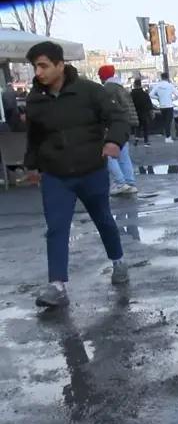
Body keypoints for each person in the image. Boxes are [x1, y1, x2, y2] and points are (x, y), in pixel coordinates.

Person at [23, 41, 130, 308]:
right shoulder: (35, 100)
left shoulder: (90, 92)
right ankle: (57, 286)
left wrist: (114, 142)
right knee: (57, 228)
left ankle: (118, 262)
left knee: (103, 219)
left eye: (44, 65)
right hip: (56, 176)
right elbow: (34, 137)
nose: (39, 72)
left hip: (91, 171)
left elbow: (118, 118)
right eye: (35, 66)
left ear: (60, 65)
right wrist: (32, 165)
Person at [98, 65, 139, 195]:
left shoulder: (108, 89)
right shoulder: (121, 88)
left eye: (100, 76)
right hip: (125, 125)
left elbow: (109, 110)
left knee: (109, 155)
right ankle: (130, 182)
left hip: (113, 125)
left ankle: (121, 183)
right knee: (124, 155)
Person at [149, 72, 178, 143]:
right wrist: (172, 99)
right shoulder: (170, 86)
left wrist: (158, 97)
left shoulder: (157, 86)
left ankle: (167, 136)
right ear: (167, 77)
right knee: (168, 122)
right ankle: (168, 137)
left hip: (162, 106)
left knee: (165, 122)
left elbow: (151, 94)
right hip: (169, 105)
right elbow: (177, 95)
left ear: (161, 78)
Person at [130, 79, 153, 147]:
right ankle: (146, 141)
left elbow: (129, 103)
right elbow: (149, 104)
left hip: (135, 113)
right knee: (145, 127)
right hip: (144, 113)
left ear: (134, 85)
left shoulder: (131, 94)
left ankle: (136, 139)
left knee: (136, 127)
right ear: (140, 85)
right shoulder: (145, 94)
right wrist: (151, 112)